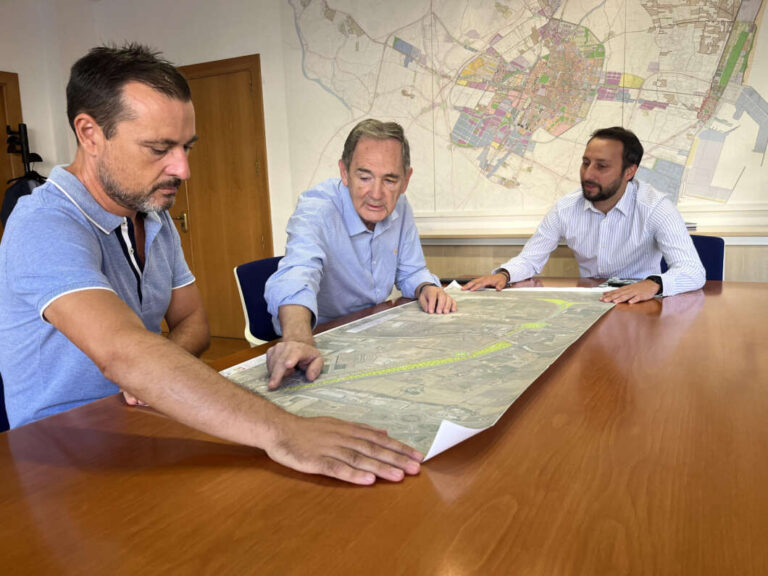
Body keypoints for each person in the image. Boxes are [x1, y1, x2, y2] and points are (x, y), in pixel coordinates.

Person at [0, 44, 421, 486]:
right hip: (62, 458)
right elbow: (123, 352)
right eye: (159, 148)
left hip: (148, 424)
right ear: (90, 134)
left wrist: (153, 376)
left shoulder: (153, 216)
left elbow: (194, 324)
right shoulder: (42, 224)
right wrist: (284, 430)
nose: (183, 169)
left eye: (186, 147)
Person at [265, 119, 456, 388]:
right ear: (344, 173)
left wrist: (426, 287)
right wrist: (298, 339)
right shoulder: (316, 208)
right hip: (320, 338)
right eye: (364, 177)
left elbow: (411, 271)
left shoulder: (401, 206)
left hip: (371, 328)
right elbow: (298, 273)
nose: (376, 194)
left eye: (390, 179)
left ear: (405, 180)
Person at [464, 126, 705, 303]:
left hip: (640, 302)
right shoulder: (566, 208)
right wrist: (504, 275)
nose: (588, 174)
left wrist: (653, 284)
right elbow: (530, 259)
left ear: (629, 172)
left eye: (602, 166)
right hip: (590, 303)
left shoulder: (656, 208)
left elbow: (692, 271)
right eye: (586, 163)